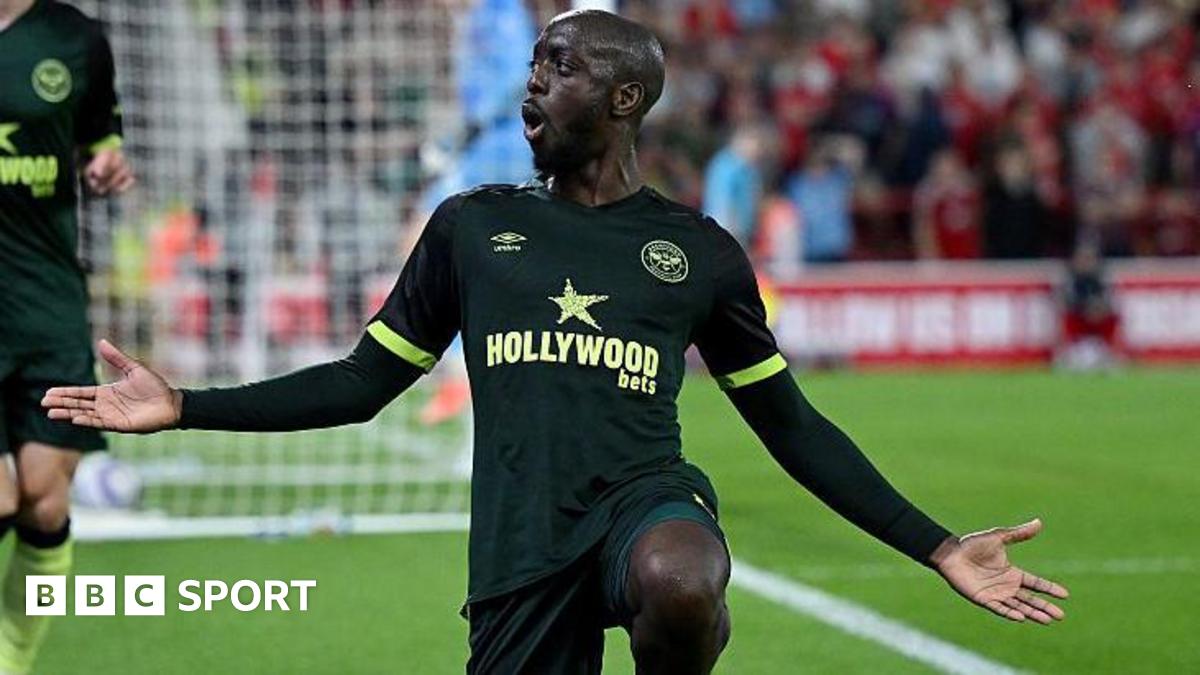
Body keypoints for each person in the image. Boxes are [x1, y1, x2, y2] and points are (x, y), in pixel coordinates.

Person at [43, 10, 1068, 675]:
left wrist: (937, 545)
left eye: (559, 67)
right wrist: (187, 406)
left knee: (680, 575)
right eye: (533, 64)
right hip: (520, 546)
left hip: (643, 504)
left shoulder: (697, 252)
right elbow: (360, 383)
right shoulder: (471, 228)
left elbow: (791, 426)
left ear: (625, 99)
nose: (532, 84)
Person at [0, 0, 134, 672]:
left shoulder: (76, 38)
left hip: (46, 305)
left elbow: (99, 137)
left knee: (45, 503)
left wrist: (105, 161)